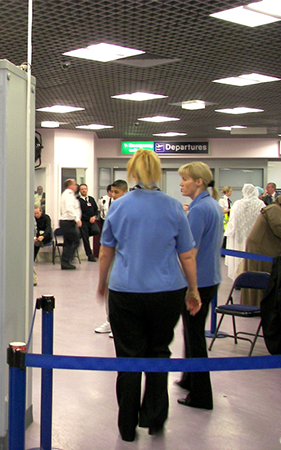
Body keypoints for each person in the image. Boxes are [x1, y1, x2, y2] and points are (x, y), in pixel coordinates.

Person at [97, 150, 200, 442]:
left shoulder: (119, 206)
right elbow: (187, 256)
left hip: (125, 290)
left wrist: (102, 282)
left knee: (128, 357)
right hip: (167, 291)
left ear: (132, 172)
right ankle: (155, 419)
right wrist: (193, 290)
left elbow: (106, 250)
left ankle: (127, 426)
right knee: (159, 351)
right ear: (157, 172)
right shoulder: (173, 207)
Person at [177, 162, 224, 410]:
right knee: (190, 332)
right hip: (211, 277)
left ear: (199, 181)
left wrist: (190, 287)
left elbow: (190, 253)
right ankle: (188, 377)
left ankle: (201, 395)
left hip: (199, 281)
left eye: (185, 179)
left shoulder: (198, 210)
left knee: (195, 336)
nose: (181, 183)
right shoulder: (212, 205)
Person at [94, 179, 128, 336]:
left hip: (124, 255)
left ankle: (118, 324)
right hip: (112, 252)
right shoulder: (112, 206)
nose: (113, 195)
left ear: (125, 192)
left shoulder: (128, 207)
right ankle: (110, 321)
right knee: (109, 287)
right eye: (112, 192)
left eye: (117, 192)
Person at [242, 195, 281, 306]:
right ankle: (258, 305)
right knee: (260, 276)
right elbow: (279, 228)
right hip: (260, 248)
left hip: (264, 247)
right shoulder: (274, 209)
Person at [224, 184, 263, 280]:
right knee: (252, 260)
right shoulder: (260, 204)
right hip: (255, 238)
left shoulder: (238, 204)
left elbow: (232, 222)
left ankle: (239, 278)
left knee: (238, 258)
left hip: (239, 237)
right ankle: (251, 278)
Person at [58, 179, 81, 270]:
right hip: (68, 222)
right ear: (70, 186)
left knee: (68, 243)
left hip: (67, 222)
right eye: (75, 185)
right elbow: (70, 208)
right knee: (75, 241)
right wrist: (77, 219)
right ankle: (66, 260)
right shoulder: (69, 195)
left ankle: (65, 262)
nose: (76, 186)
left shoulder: (68, 194)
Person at [77, 183, 99, 262]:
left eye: (85, 189)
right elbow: (79, 212)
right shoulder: (79, 201)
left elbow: (96, 209)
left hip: (92, 221)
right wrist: (88, 218)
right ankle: (90, 255)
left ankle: (83, 234)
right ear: (80, 191)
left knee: (97, 230)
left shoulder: (91, 199)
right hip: (84, 222)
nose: (84, 190)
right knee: (86, 239)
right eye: (82, 189)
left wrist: (94, 216)